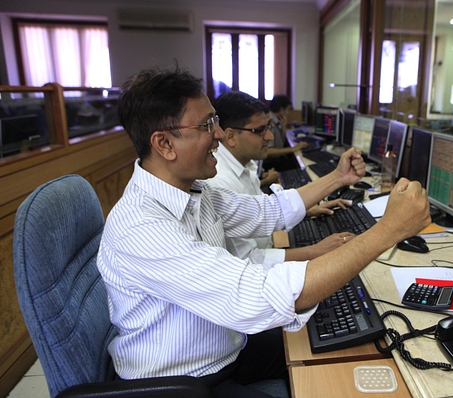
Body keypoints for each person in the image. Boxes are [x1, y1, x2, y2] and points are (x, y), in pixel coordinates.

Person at [97, 66, 432, 397]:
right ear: (165, 144)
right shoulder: (142, 227)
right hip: (181, 383)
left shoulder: (194, 191)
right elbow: (258, 296)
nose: (218, 135)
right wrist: (388, 230)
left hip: (225, 349)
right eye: (207, 125)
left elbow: (267, 211)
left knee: (351, 348)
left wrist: (337, 179)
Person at [206, 90, 353, 267]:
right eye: (260, 130)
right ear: (230, 136)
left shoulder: (244, 164)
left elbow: (262, 211)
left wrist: (306, 210)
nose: (270, 136)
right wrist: (315, 251)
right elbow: (248, 260)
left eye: (268, 127)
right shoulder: (220, 181)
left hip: (269, 247)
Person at [261, 94, 306, 172]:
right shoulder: (270, 122)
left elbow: (280, 145)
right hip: (270, 163)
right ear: (281, 109)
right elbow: (269, 151)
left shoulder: (276, 120)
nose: (288, 113)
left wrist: (283, 129)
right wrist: (293, 149)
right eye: (287, 110)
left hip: (276, 159)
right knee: (299, 166)